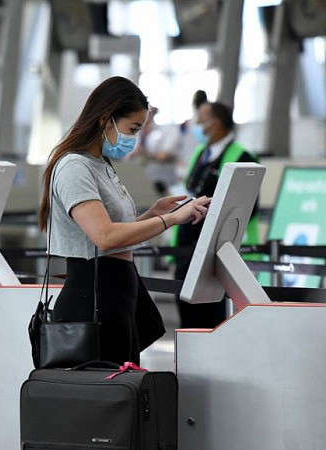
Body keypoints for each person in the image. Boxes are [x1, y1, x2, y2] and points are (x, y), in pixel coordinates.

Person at [38, 76, 211, 364]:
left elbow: (116, 234)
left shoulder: (101, 164)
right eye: (132, 128)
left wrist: (153, 214)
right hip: (91, 300)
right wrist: (171, 221)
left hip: (116, 296)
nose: (135, 139)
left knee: (122, 394)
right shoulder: (74, 167)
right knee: (103, 398)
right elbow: (104, 237)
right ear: (106, 119)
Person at [173, 101, 259, 329]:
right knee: (188, 314)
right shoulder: (201, 153)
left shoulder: (242, 156)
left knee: (214, 316)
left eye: (201, 120)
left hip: (218, 250)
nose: (197, 125)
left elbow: (248, 206)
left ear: (216, 123)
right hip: (188, 247)